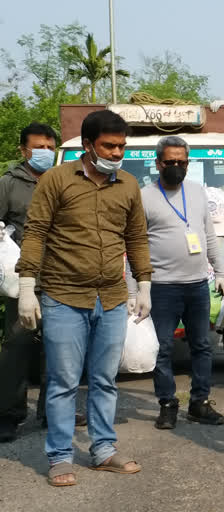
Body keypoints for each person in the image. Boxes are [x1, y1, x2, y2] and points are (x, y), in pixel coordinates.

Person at [16, 110, 152, 486]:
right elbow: (36, 231)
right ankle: (60, 456)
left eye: (122, 146)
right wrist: (27, 284)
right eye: (109, 146)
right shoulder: (57, 180)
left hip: (109, 297)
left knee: (105, 379)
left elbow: (136, 237)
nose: (116, 152)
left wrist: (144, 284)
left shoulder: (127, 184)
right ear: (88, 145)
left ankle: (103, 450)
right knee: (63, 381)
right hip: (62, 296)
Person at [126, 136, 224, 429]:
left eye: (181, 162)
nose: (176, 167)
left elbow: (209, 236)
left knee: (202, 346)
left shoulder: (197, 192)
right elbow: (134, 245)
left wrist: (220, 273)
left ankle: (200, 403)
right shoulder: (143, 196)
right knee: (163, 349)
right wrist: (134, 290)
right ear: (158, 163)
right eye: (170, 162)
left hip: (197, 285)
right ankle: (167, 403)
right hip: (161, 287)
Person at [0, 123, 87, 442]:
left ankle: (54, 411)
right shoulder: (9, 184)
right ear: (24, 150)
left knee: (60, 350)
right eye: (39, 148)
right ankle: (9, 413)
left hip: (61, 279)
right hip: (21, 281)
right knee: (16, 347)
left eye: (51, 148)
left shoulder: (63, 181)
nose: (46, 154)